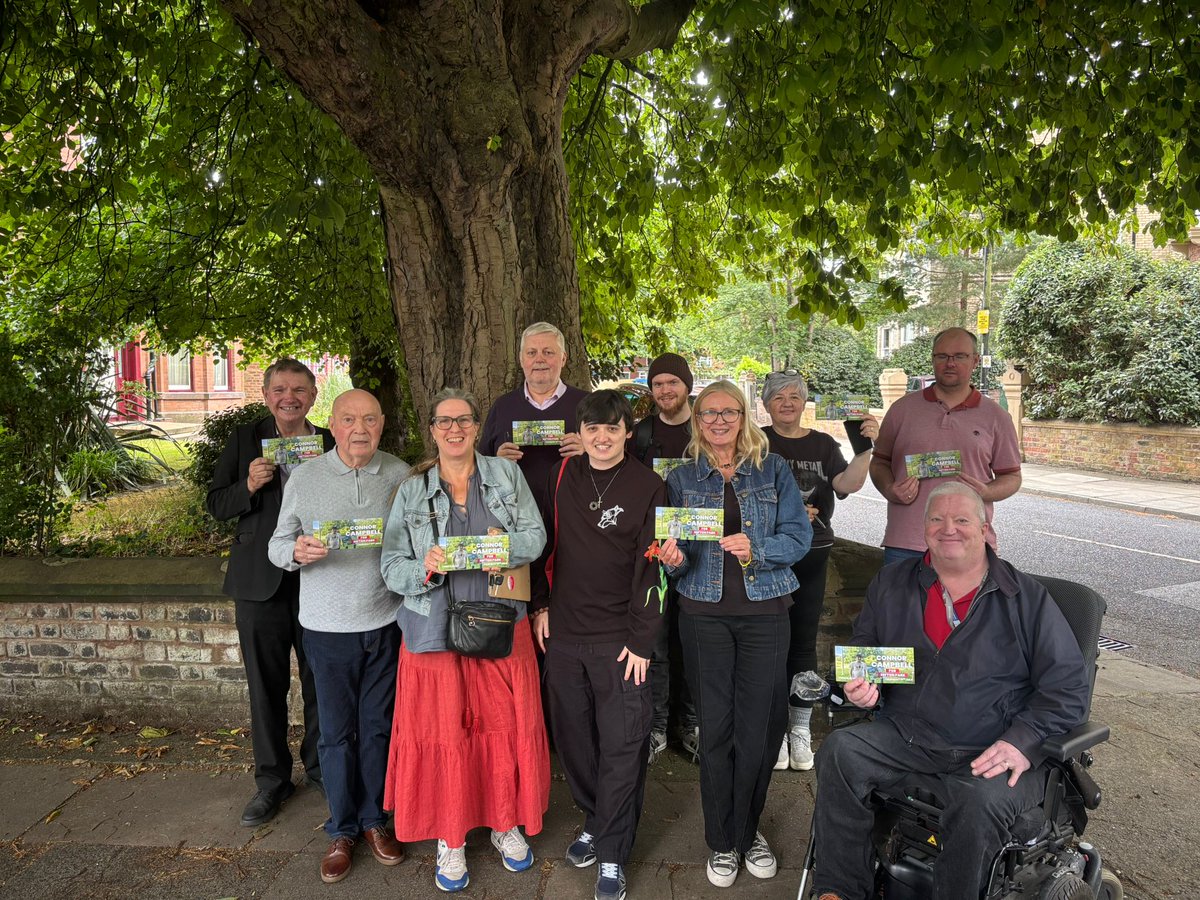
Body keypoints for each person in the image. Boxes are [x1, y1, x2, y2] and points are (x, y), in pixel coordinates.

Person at [811, 482, 1090, 900]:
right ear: (923, 528)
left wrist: (1022, 741)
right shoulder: (893, 583)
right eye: (937, 519)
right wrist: (862, 687)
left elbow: (1068, 689)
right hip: (910, 733)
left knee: (976, 799)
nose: (949, 529)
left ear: (984, 528)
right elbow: (865, 650)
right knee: (840, 751)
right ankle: (839, 890)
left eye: (961, 520)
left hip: (992, 746)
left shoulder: (1026, 600)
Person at [380, 388, 550, 894]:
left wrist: (506, 545)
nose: (454, 429)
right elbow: (391, 565)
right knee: (444, 732)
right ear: (432, 430)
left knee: (501, 727)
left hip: (499, 623)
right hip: (432, 630)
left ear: (477, 427)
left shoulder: (505, 475)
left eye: (464, 421)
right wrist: (424, 570)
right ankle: (450, 837)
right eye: (444, 422)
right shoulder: (412, 490)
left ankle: (503, 822)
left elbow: (535, 538)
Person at [656, 380, 811, 889]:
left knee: (762, 728)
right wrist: (673, 560)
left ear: (744, 417)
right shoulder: (681, 478)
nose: (719, 421)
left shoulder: (773, 469)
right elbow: (673, 557)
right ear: (697, 421)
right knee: (716, 728)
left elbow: (799, 536)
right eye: (708, 414)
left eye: (728, 412)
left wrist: (758, 548)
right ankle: (723, 840)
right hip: (703, 614)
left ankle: (749, 830)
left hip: (766, 610)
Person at [267, 389, 410, 884]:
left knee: (377, 728)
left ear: (382, 423)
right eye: (349, 419)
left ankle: (375, 821)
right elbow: (277, 543)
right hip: (327, 628)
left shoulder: (398, 473)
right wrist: (296, 552)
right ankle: (341, 828)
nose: (360, 429)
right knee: (334, 734)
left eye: (370, 419)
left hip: (386, 623)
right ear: (333, 423)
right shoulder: (306, 477)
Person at [532, 389, 668, 900]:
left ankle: (612, 852)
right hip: (565, 634)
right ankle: (596, 817)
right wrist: (540, 606)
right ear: (581, 432)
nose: (602, 437)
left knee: (623, 744)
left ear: (627, 433)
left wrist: (641, 640)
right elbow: (544, 544)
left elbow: (652, 566)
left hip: (621, 642)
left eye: (612, 428)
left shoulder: (649, 485)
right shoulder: (561, 476)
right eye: (593, 428)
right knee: (574, 741)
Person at [205, 358, 332, 827]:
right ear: (266, 395)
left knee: (321, 681)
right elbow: (216, 503)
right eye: (280, 389)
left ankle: (320, 768)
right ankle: (272, 782)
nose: (289, 397)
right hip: (259, 583)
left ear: (313, 396)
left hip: (318, 580)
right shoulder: (244, 439)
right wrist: (249, 486)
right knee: (265, 687)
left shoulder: (330, 441)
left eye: (299, 389)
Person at [760, 370, 879, 772]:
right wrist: (789, 512)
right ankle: (773, 727)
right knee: (770, 639)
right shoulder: (756, 441)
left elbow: (847, 484)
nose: (788, 403)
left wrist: (865, 450)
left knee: (803, 641)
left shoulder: (824, 444)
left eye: (795, 395)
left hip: (813, 550)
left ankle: (799, 725)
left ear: (804, 401)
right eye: (779, 397)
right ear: (766, 403)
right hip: (769, 554)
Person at [870, 327, 1022, 565]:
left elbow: (1012, 476)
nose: (950, 363)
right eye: (942, 356)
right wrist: (889, 489)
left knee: (969, 605)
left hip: (968, 543)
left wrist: (987, 491)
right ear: (933, 360)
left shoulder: (997, 417)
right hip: (907, 543)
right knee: (899, 604)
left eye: (959, 356)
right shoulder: (902, 409)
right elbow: (879, 462)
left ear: (975, 361)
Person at [629, 353, 698, 764]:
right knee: (654, 642)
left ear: (687, 385)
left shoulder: (705, 427)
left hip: (700, 551)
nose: (666, 390)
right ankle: (655, 725)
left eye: (673, 382)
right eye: (658, 384)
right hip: (653, 553)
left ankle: (688, 725)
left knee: (690, 641)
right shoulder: (641, 434)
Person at [479, 321, 587, 511]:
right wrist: (497, 462)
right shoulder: (502, 407)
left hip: (575, 513)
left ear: (563, 358)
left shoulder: (587, 405)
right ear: (522, 360)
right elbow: (480, 467)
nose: (539, 359)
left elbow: (617, 461)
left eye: (548, 352)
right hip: (516, 515)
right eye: (531, 353)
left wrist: (588, 452)